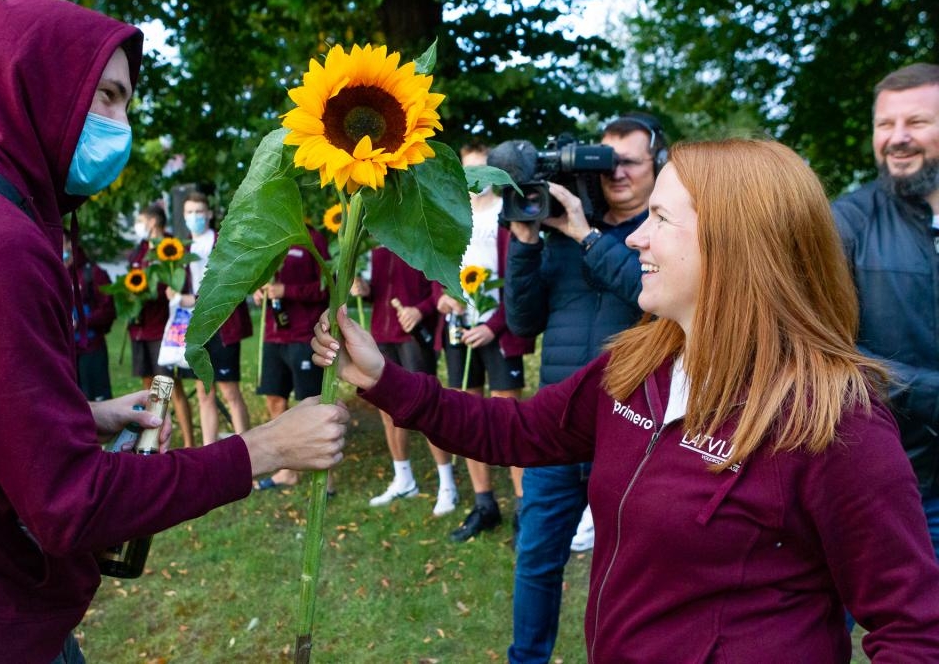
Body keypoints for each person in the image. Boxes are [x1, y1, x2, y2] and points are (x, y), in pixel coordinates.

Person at [314, 138, 939, 662]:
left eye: (661, 219)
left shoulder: (834, 422)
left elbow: (914, 631)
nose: (636, 238)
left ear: (737, 243)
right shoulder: (639, 365)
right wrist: (383, 378)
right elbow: (518, 431)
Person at [0, 0, 347, 663]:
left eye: (127, 102)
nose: (122, 125)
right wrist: (263, 449)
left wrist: (77, 417)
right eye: (107, 97)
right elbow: (70, 505)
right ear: (39, 85)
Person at [502, 114, 663, 662]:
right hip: (559, 427)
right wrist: (526, 242)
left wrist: (587, 236)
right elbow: (522, 322)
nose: (616, 173)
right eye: (606, 162)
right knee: (536, 559)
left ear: (658, 165)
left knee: (628, 567)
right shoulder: (563, 234)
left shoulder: (663, 235)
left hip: (634, 429)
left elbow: (650, 298)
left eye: (629, 162)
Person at [832, 62, 939, 560]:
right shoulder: (846, 223)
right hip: (888, 483)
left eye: (916, 122)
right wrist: (928, 394)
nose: (897, 138)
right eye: (885, 124)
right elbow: (822, 348)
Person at [438, 141, 535, 542]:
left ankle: (525, 509)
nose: (475, 177)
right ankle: (484, 504)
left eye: (482, 168)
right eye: (468, 170)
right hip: (460, 328)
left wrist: (494, 326)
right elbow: (440, 264)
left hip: (499, 330)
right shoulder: (453, 214)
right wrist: (443, 296)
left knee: (508, 419)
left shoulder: (505, 214)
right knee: (468, 415)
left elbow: (518, 280)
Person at [352, 247, 458, 515]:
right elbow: (378, 291)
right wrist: (364, 290)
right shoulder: (374, 247)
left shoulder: (419, 242)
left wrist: (420, 310)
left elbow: (439, 288)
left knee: (428, 410)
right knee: (387, 412)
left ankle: (447, 484)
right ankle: (404, 479)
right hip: (381, 336)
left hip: (413, 338)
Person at [166, 191, 252, 446]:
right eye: (190, 212)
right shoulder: (181, 249)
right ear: (184, 216)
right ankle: (209, 451)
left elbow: (231, 282)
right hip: (196, 328)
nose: (195, 217)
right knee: (205, 391)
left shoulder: (223, 242)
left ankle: (249, 449)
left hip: (223, 326)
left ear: (209, 214)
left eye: (199, 212)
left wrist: (192, 298)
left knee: (230, 391)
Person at [252, 225, 330, 490]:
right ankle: (287, 471)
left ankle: (325, 475)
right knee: (275, 399)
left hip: (303, 335)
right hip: (273, 335)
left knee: (311, 404)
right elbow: (258, 278)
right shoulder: (266, 236)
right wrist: (258, 290)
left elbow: (326, 288)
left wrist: (288, 291)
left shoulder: (313, 239)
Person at [129, 201, 196, 447]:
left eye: (141, 221)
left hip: (163, 329)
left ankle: (189, 442)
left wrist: (155, 291)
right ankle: (153, 439)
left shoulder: (171, 248)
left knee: (170, 387)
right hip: (140, 328)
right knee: (149, 389)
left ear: (153, 221)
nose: (138, 226)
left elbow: (179, 284)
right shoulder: (139, 251)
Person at [64, 229, 116, 401]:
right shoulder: (55, 273)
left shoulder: (93, 273)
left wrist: (80, 321)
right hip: (66, 353)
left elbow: (108, 311)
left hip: (91, 349)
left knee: (97, 402)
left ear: (71, 244)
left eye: (61, 242)